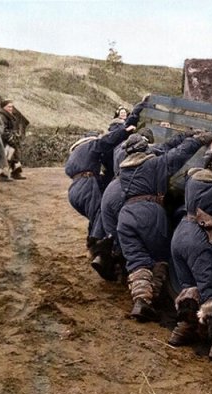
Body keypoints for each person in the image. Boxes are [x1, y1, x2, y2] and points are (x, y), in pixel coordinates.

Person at [116, 130, 212, 322]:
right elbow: (179, 154)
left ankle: (142, 301)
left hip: (126, 215)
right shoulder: (154, 164)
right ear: (144, 149)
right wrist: (199, 139)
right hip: (150, 212)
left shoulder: (124, 169)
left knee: (137, 259)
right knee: (160, 257)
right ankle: (153, 296)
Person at [168, 140, 212, 363]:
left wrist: (211, 151)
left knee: (189, 287)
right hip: (201, 240)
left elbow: (199, 165)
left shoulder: (193, 178)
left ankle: (181, 331)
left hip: (181, 234)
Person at [65, 98, 145, 276]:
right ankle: (101, 256)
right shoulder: (91, 145)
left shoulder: (76, 154)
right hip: (86, 184)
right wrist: (126, 131)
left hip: (74, 190)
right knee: (102, 213)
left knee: (96, 217)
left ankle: (93, 247)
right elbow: (107, 141)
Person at [0, 99, 26, 180]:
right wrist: (10, 139)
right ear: (4, 107)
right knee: (7, 156)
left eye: (12, 107)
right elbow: (3, 129)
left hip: (12, 137)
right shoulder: (2, 116)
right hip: (5, 139)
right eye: (9, 107)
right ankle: (2, 175)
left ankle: (16, 173)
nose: (11, 108)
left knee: (15, 155)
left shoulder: (10, 115)